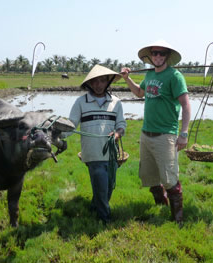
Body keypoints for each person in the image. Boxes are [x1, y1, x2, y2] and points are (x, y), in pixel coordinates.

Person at [121, 40, 191, 225]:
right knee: (150, 176)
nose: (158, 56)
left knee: (170, 178)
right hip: (146, 134)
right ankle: (160, 204)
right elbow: (139, 93)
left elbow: (185, 105)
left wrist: (183, 133)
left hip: (165, 135)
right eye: (154, 53)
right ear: (150, 56)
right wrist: (127, 78)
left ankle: (178, 219)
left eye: (161, 53)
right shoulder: (150, 75)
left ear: (167, 56)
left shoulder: (175, 76)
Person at [69, 65, 126, 224]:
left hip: (111, 153)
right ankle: (105, 219)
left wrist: (117, 134)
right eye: (95, 81)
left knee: (109, 187)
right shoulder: (81, 102)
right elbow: (71, 124)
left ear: (108, 83)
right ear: (89, 84)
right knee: (101, 186)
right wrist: (57, 133)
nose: (99, 84)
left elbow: (121, 125)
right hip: (93, 153)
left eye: (102, 81)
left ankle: (94, 207)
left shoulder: (116, 103)